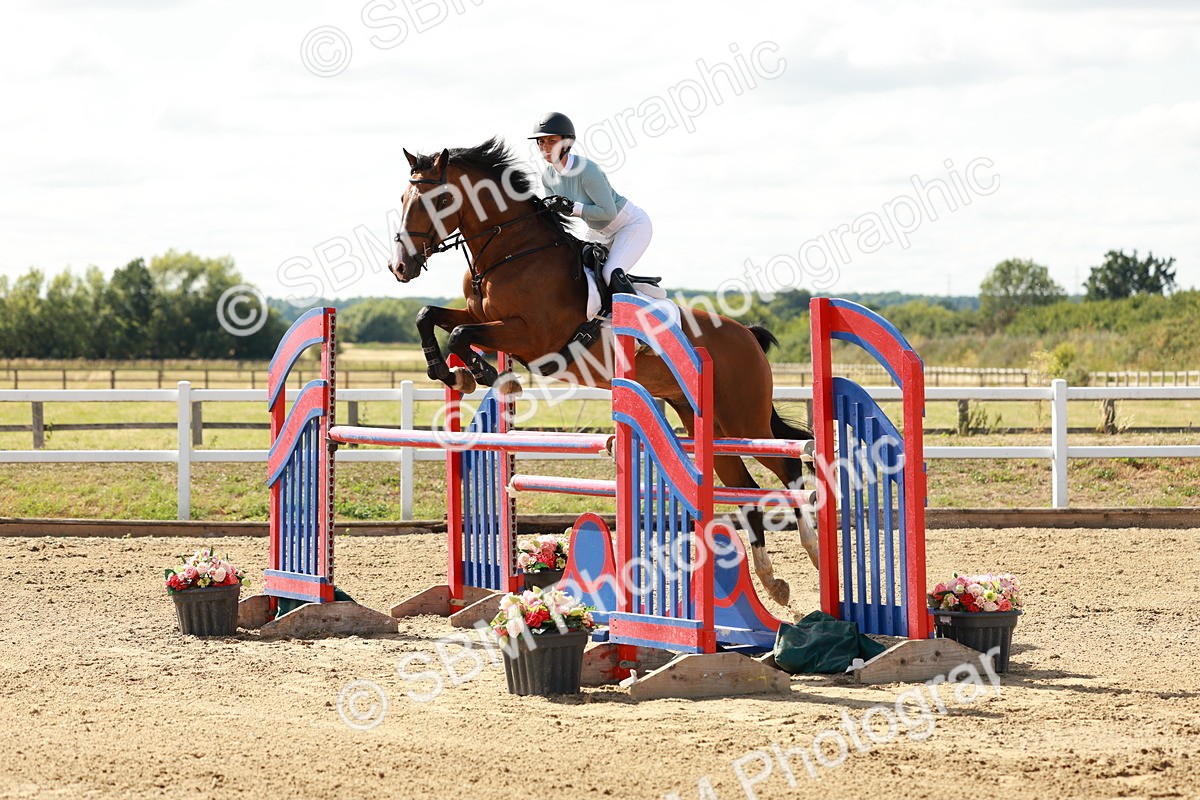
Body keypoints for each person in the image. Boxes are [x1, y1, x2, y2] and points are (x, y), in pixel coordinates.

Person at [529, 111, 653, 315]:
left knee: (609, 273)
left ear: (567, 143)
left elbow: (607, 213)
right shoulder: (547, 177)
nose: (545, 147)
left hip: (630, 225)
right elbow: (555, 216)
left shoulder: (587, 170)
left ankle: (641, 325)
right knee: (579, 272)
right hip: (598, 231)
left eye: (552, 141)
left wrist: (572, 208)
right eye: (541, 142)